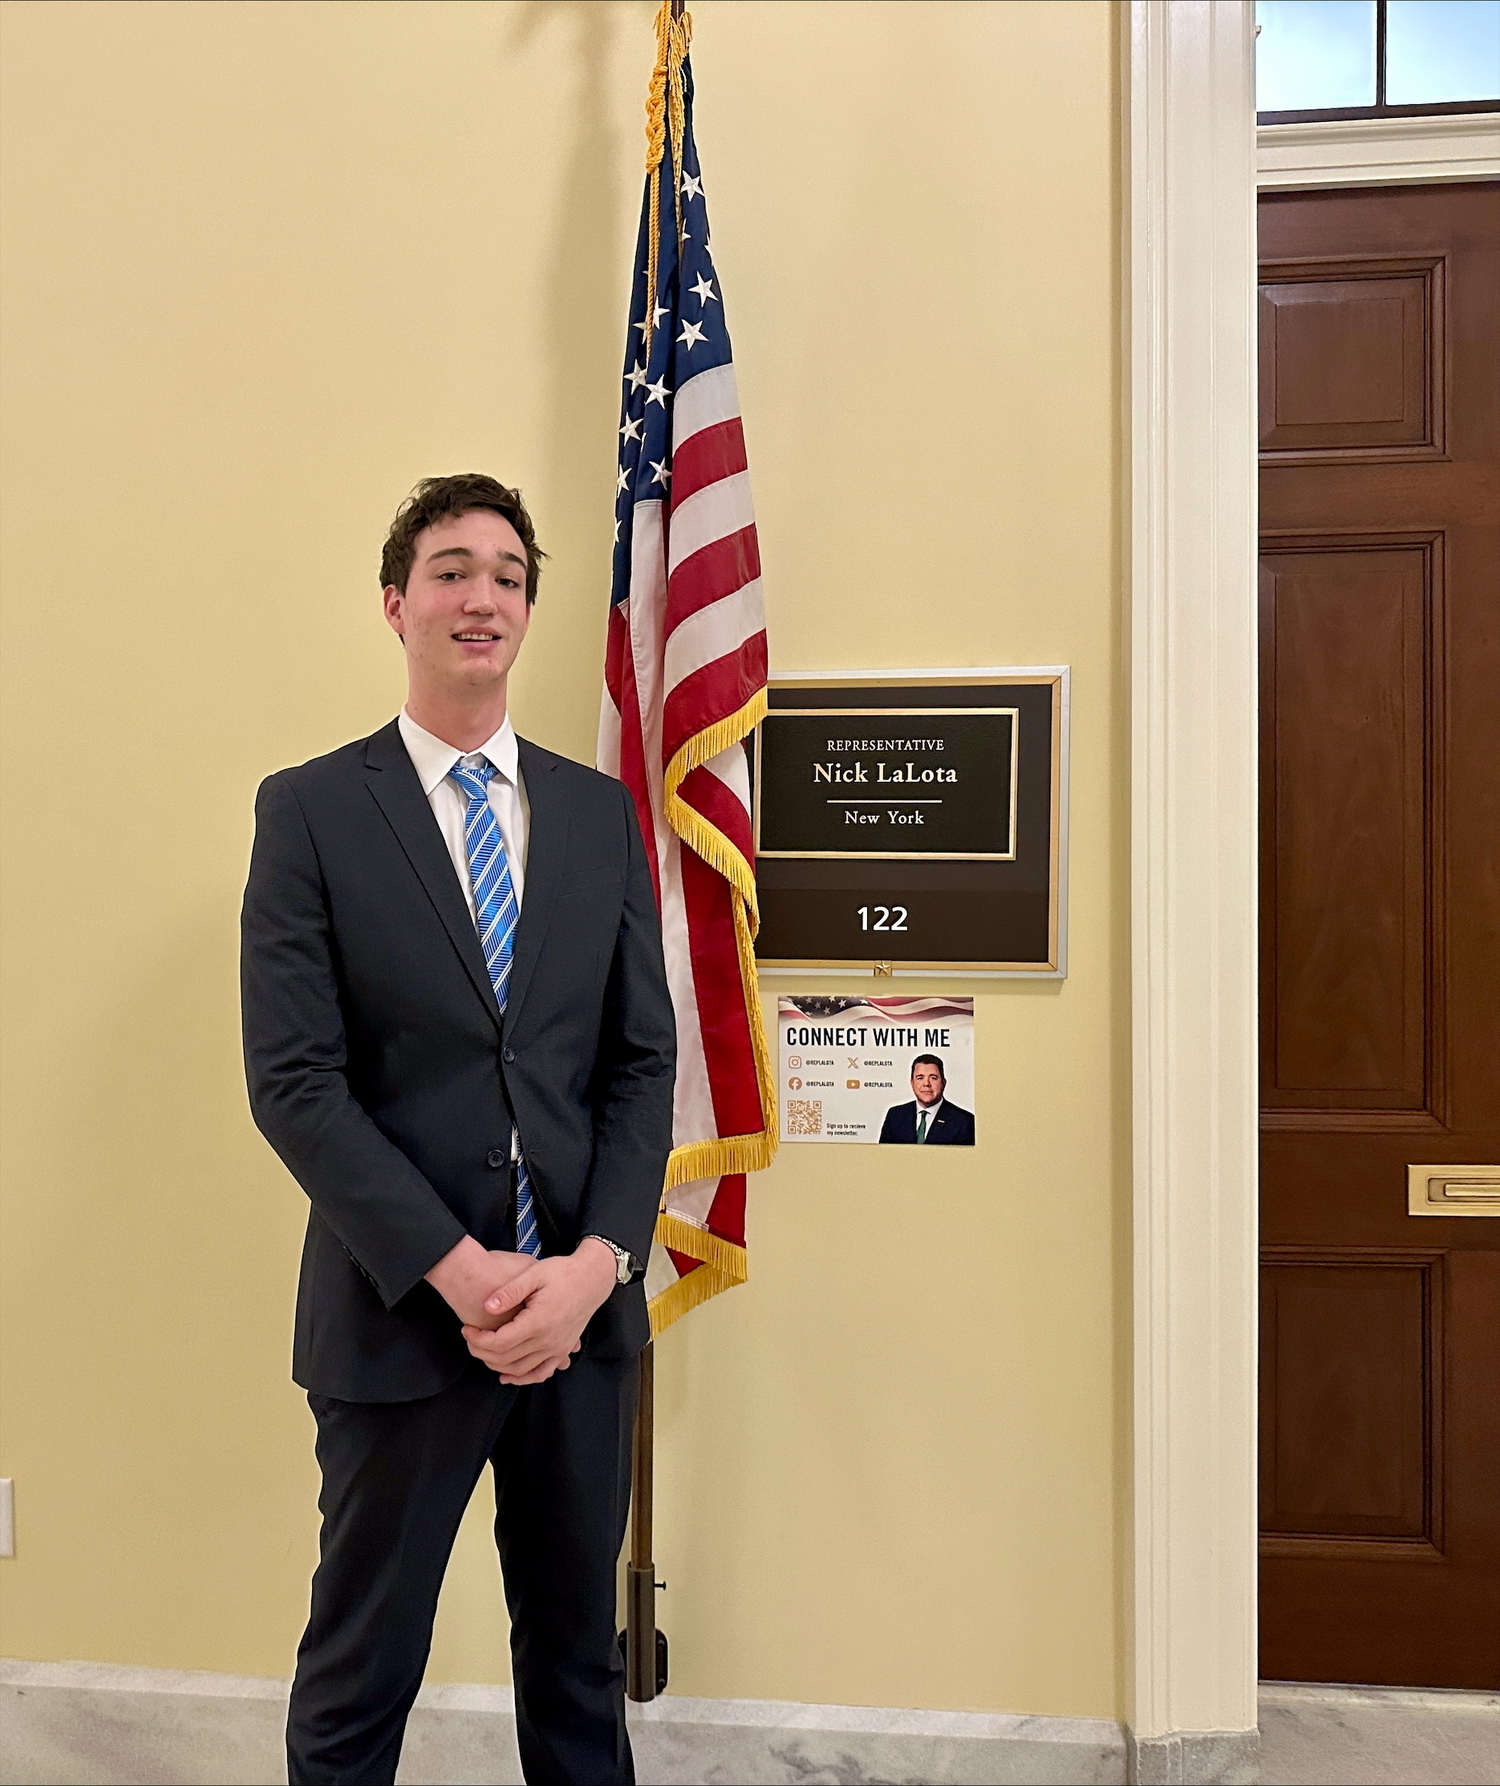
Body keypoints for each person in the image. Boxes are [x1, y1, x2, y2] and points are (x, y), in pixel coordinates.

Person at [240, 473, 676, 1786]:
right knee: (361, 1667)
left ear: (529, 609)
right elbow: (294, 1081)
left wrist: (597, 1262)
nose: (479, 593)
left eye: (506, 572)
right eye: (449, 567)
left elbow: (641, 1063)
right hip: (398, 1324)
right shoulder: (311, 808)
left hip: (579, 1325)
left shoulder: (597, 816)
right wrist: (461, 1266)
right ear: (397, 603)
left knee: (580, 1674)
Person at [878, 1053, 975, 1145]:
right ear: (912, 1083)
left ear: (943, 1083)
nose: (926, 1084)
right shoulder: (895, 1116)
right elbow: (883, 1157)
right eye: (920, 1078)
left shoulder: (964, 1121)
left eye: (933, 1078)